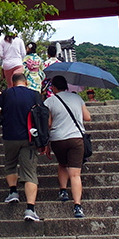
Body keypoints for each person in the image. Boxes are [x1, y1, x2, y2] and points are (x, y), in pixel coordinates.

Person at [0, 73, 44, 222]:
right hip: (29, 137)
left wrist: (6, 111)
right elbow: (42, 114)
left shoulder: (7, 94)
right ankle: (30, 209)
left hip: (10, 136)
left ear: (12, 83)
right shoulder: (35, 94)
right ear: (26, 82)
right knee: (30, 172)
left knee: (10, 164)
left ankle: (13, 192)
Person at [45, 75, 91, 219]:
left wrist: (46, 144)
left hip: (58, 139)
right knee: (75, 174)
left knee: (62, 164)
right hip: (76, 138)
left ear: (54, 87)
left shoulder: (50, 101)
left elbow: (48, 123)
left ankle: (63, 190)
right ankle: (77, 206)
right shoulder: (77, 98)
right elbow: (87, 117)